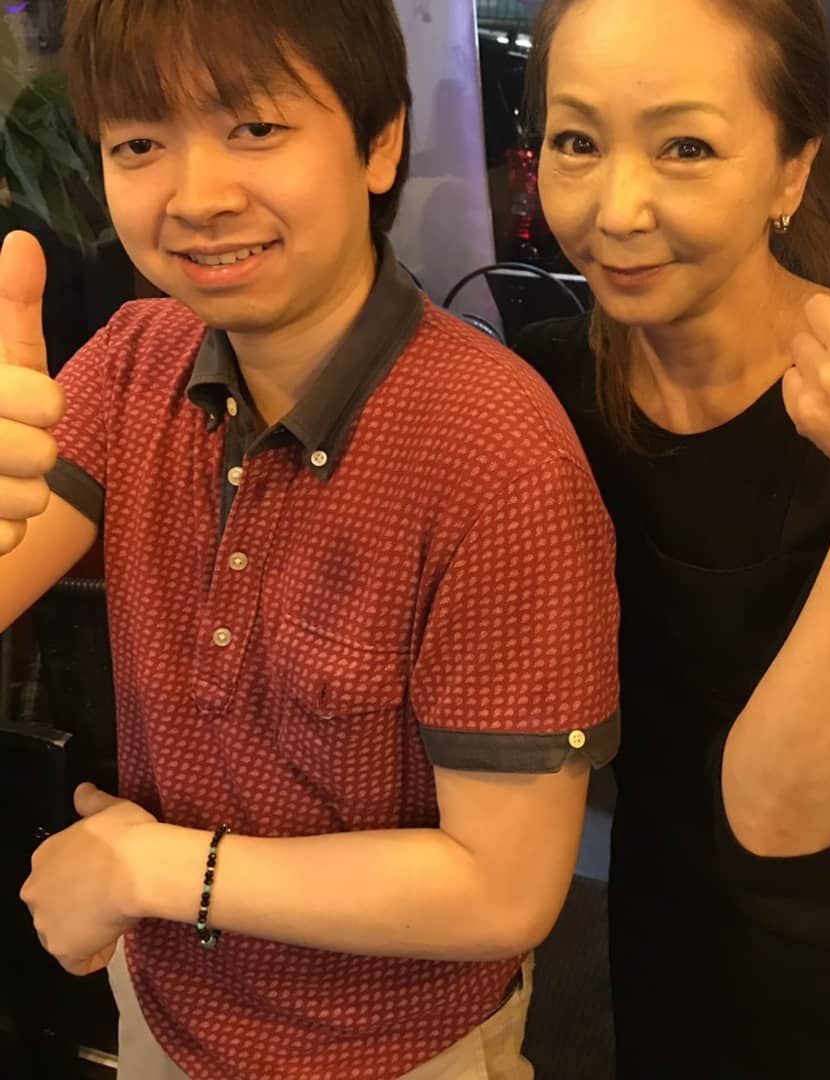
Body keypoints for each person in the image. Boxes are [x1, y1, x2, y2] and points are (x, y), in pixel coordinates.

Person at [9, 1, 620, 1077]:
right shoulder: (135, 360)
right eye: (140, 143)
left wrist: (150, 871)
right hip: (163, 1014)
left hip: (397, 1053)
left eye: (255, 128)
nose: (197, 196)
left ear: (379, 143)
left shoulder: (498, 453)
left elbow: (504, 889)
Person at [516, 0, 830, 1075]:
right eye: (576, 141)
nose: (616, 208)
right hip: (670, 936)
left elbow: (794, 812)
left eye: (686, 148)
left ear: (792, 171)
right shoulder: (550, 388)